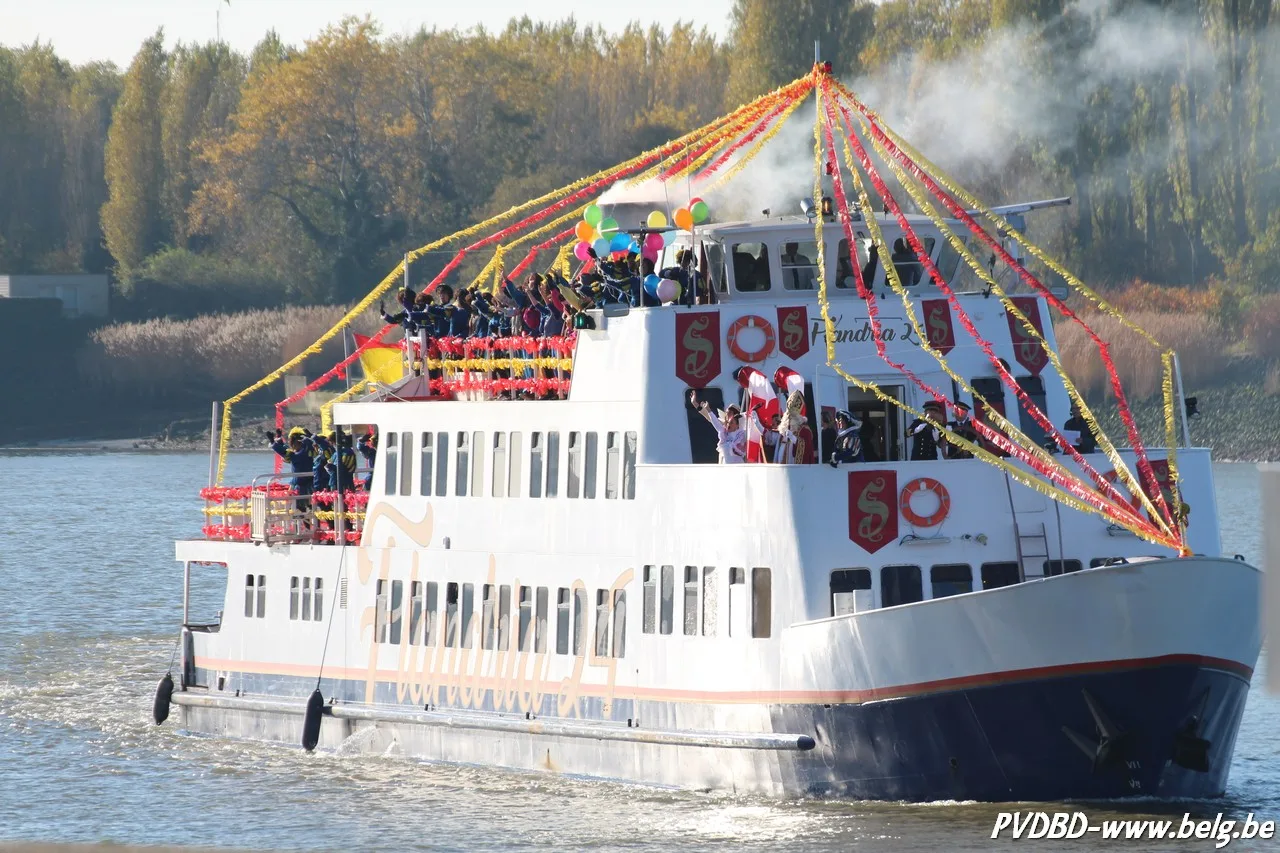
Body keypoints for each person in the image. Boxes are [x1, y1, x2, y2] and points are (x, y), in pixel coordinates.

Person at [268, 426, 316, 513]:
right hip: (307, 483)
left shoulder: (299, 454)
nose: (291, 444)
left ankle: (303, 520)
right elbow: (286, 449)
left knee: (299, 507)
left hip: (300, 485)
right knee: (306, 507)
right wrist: (279, 438)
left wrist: (273, 442)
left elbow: (284, 452)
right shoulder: (306, 451)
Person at [690, 390, 746, 464]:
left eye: (729, 413)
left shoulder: (744, 430)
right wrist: (695, 403)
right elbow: (710, 417)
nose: (726, 415)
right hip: (724, 461)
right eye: (726, 413)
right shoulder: (723, 427)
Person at [776, 390, 816, 464]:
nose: (789, 417)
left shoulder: (805, 431)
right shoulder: (784, 431)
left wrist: (794, 438)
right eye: (788, 415)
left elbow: (807, 450)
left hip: (796, 467)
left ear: (798, 417)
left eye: (793, 416)